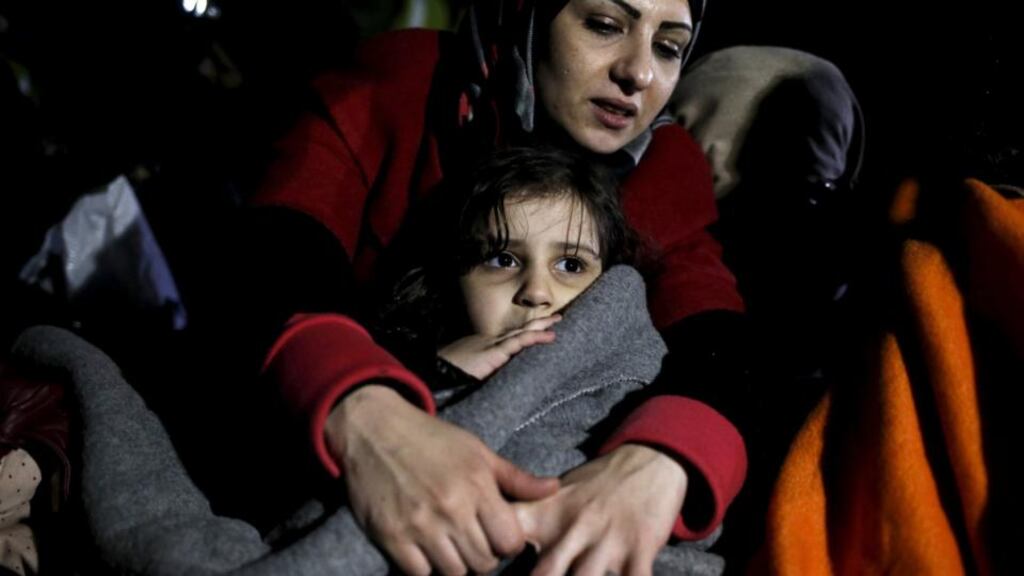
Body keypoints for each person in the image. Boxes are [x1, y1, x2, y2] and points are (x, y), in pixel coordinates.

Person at [230, 1, 748, 574]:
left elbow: (718, 339)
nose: (639, 72)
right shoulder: (401, 84)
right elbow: (269, 260)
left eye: (669, 47)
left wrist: (659, 463)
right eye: (604, 25)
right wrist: (369, 416)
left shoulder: (665, 169)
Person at [370, 145, 640, 386]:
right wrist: (437, 372)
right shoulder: (384, 371)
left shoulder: (633, 383)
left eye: (571, 265)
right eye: (503, 260)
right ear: (452, 279)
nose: (536, 293)